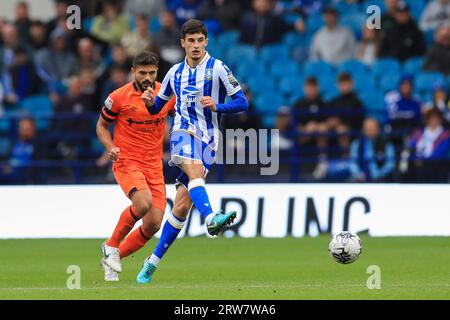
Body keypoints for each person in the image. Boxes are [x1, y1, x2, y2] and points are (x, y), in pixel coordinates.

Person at [137, 19, 248, 284]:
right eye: (191, 41)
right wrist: (151, 102)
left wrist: (217, 106)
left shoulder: (218, 68)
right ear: (183, 43)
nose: (196, 45)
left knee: (183, 205)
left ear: (206, 42)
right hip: (182, 132)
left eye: (200, 40)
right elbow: (157, 109)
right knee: (193, 169)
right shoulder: (174, 73)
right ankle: (211, 217)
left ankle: (152, 262)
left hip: (210, 140)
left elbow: (242, 102)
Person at [96, 51, 175, 282]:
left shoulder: (166, 94)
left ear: (157, 71)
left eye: (151, 72)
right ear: (133, 72)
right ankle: (110, 246)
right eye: (142, 73)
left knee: (152, 224)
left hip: (154, 165)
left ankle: (111, 260)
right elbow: (101, 126)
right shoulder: (119, 97)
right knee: (143, 203)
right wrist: (110, 147)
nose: (147, 77)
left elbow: (178, 119)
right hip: (127, 161)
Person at [407, 108, 450, 182]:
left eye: (436, 117)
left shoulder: (446, 134)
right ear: (427, 119)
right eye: (431, 117)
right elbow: (412, 148)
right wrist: (416, 158)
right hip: (418, 165)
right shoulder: (418, 133)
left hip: (437, 165)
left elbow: (441, 152)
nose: (433, 120)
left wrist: (424, 160)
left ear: (440, 119)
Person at [349, 118, 396, 182]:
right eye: (368, 128)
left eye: (373, 128)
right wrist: (358, 175)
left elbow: (390, 164)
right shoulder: (356, 144)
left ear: (378, 129)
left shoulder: (386, 144)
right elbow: (352, 163)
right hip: (360, 179)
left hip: (381, 179)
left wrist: (378, 175)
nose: (370, 131)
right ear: (363, 130)